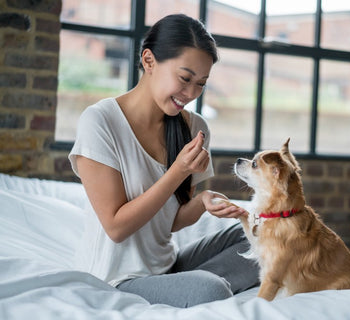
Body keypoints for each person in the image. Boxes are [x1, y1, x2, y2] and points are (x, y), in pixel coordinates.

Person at [69, 14, 259, 308]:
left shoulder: (195, 128)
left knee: (262, 240)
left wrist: (203, 200)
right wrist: (177, 171)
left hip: (167, 266)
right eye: (184, 79)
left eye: (201, 84)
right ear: (149, 61)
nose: (191, 94)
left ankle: (185, 286)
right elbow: (116, 227)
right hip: (115, 280)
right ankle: (199, 287)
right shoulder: (100, 122)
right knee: (210, 291)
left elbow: (168, 224)